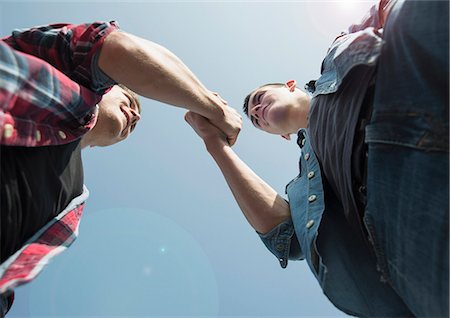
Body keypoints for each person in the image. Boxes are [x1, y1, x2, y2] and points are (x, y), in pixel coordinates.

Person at [185, 0, 449, 316]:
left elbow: (384, 11)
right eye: (256, 119)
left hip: (417, 82)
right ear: (281, 136)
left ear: (290, 86)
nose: (257, 111)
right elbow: (286, 237)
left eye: (259, 100)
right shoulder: (305, 187)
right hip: (405, 214)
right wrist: (215, 144)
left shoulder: (336, 57)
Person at [0, 21, 241, 316]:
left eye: (136, 121)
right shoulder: (61, 71)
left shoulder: (73, 201)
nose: (133, 114)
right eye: (128, 100)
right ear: (107, 86)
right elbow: (116, 48)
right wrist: (215, 109)